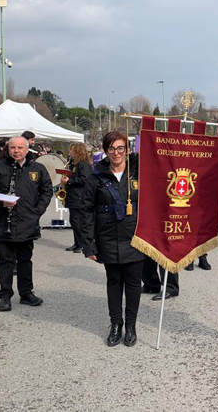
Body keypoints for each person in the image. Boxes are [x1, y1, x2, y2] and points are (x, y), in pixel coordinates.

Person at [80, 131, 144, 347]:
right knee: (114, 282)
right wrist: (88, 244)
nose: (116, 153)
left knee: (134, 283)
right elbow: (86, 212)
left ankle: (131, 325)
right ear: (105, 151)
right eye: (111, 148)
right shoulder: (95, 178)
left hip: (135, 237)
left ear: (127, 150)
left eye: (120, 148)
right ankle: (116, 324)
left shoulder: (139, 173)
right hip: (107, 237)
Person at [0, 136, 53, 311]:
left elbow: (46, 191)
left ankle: (26, 293)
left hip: (28, 221)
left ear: (27, 150)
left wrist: (37, 211)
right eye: (13, 148)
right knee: (5, 260)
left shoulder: (38, 168)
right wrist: (0, 201)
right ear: (7, 149)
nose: (16, 151)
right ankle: (5, 295)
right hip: (4, 221)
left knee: (25, 260)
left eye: (20, 147)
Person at [62, 143, 93, 253]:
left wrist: (69, 181)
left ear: (78, 151)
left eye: (72, 151)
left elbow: (85, 180)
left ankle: (82, 244)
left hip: (79, 197)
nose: (70, 153)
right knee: (74, 221)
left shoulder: (84, 164)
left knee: (77, 221)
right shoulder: (74, 164)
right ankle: (77, 243)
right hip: (73, 196)